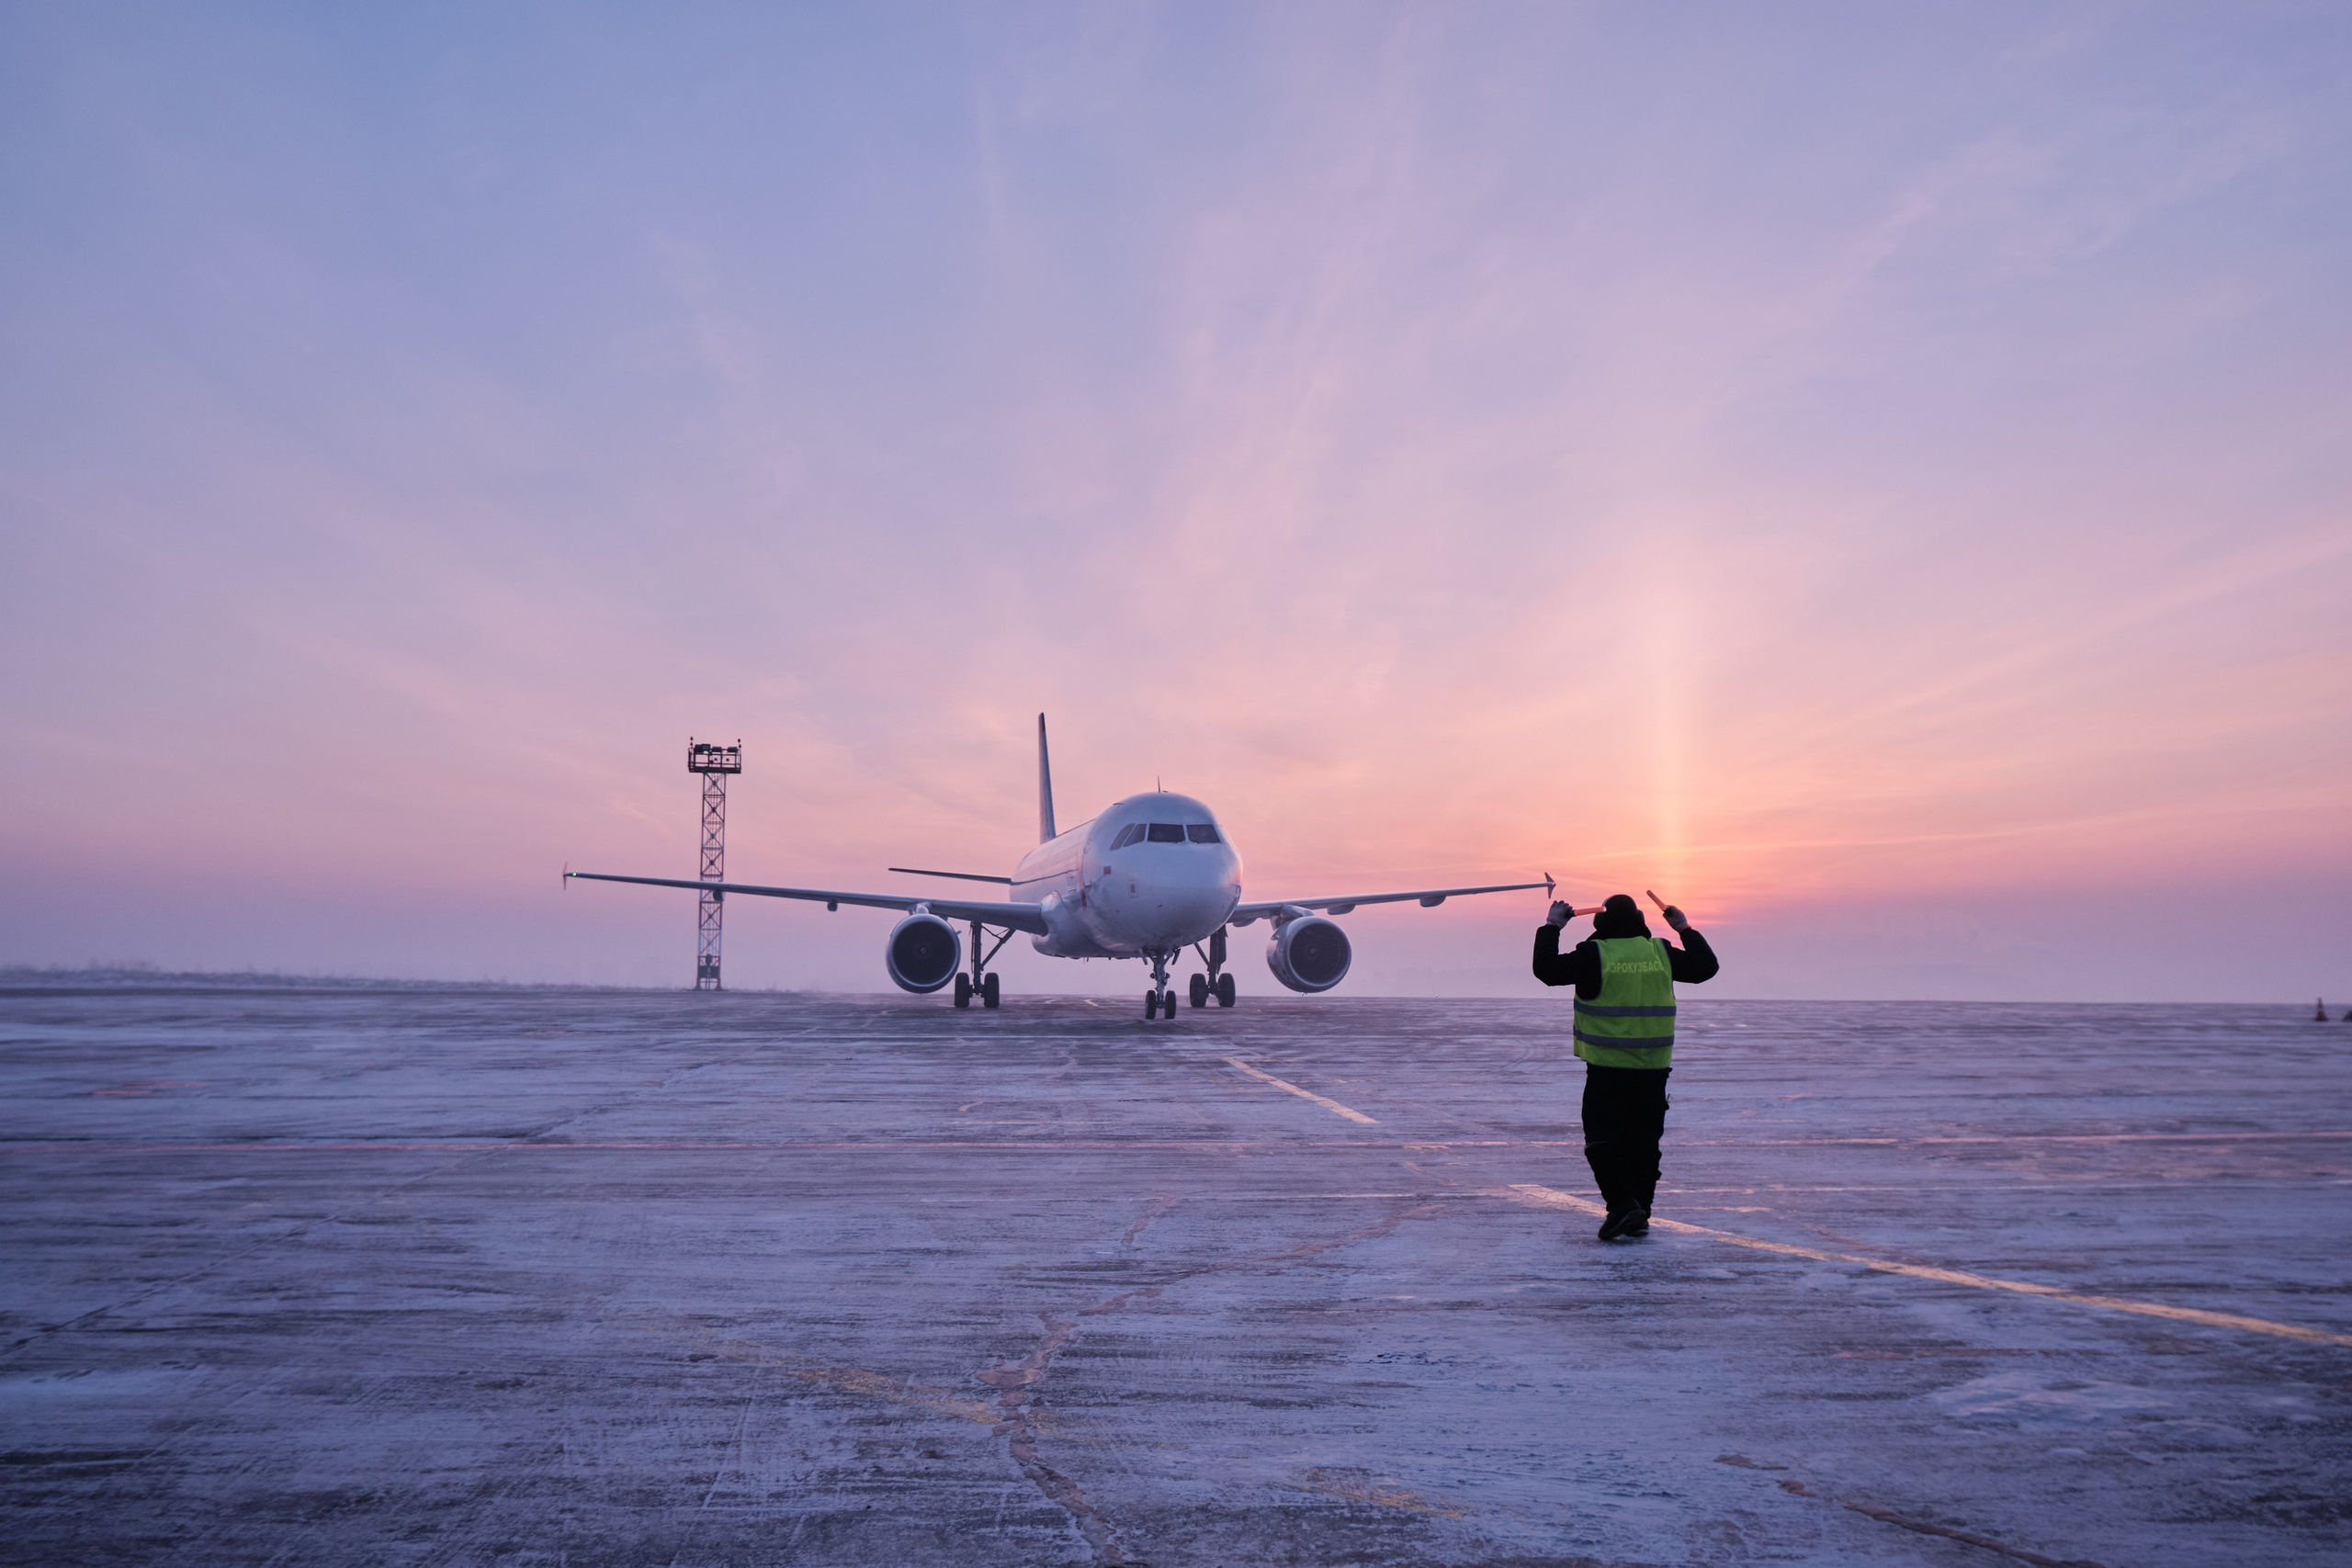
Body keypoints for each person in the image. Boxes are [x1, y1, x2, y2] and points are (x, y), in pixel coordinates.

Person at [1532, 893, 1718, 1240]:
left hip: (1608, 1069)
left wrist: (1552, 926)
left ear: (1600, 922)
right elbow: (1706, 968)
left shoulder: (1595, 954)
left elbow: (1546, 970)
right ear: (1640, 921)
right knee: (1644, 1146)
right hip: (1653, 1069)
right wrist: (1683, 928)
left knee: (1602, 1141)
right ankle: (1639, 1212)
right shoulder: (1660, 952)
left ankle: (1622, 1205)